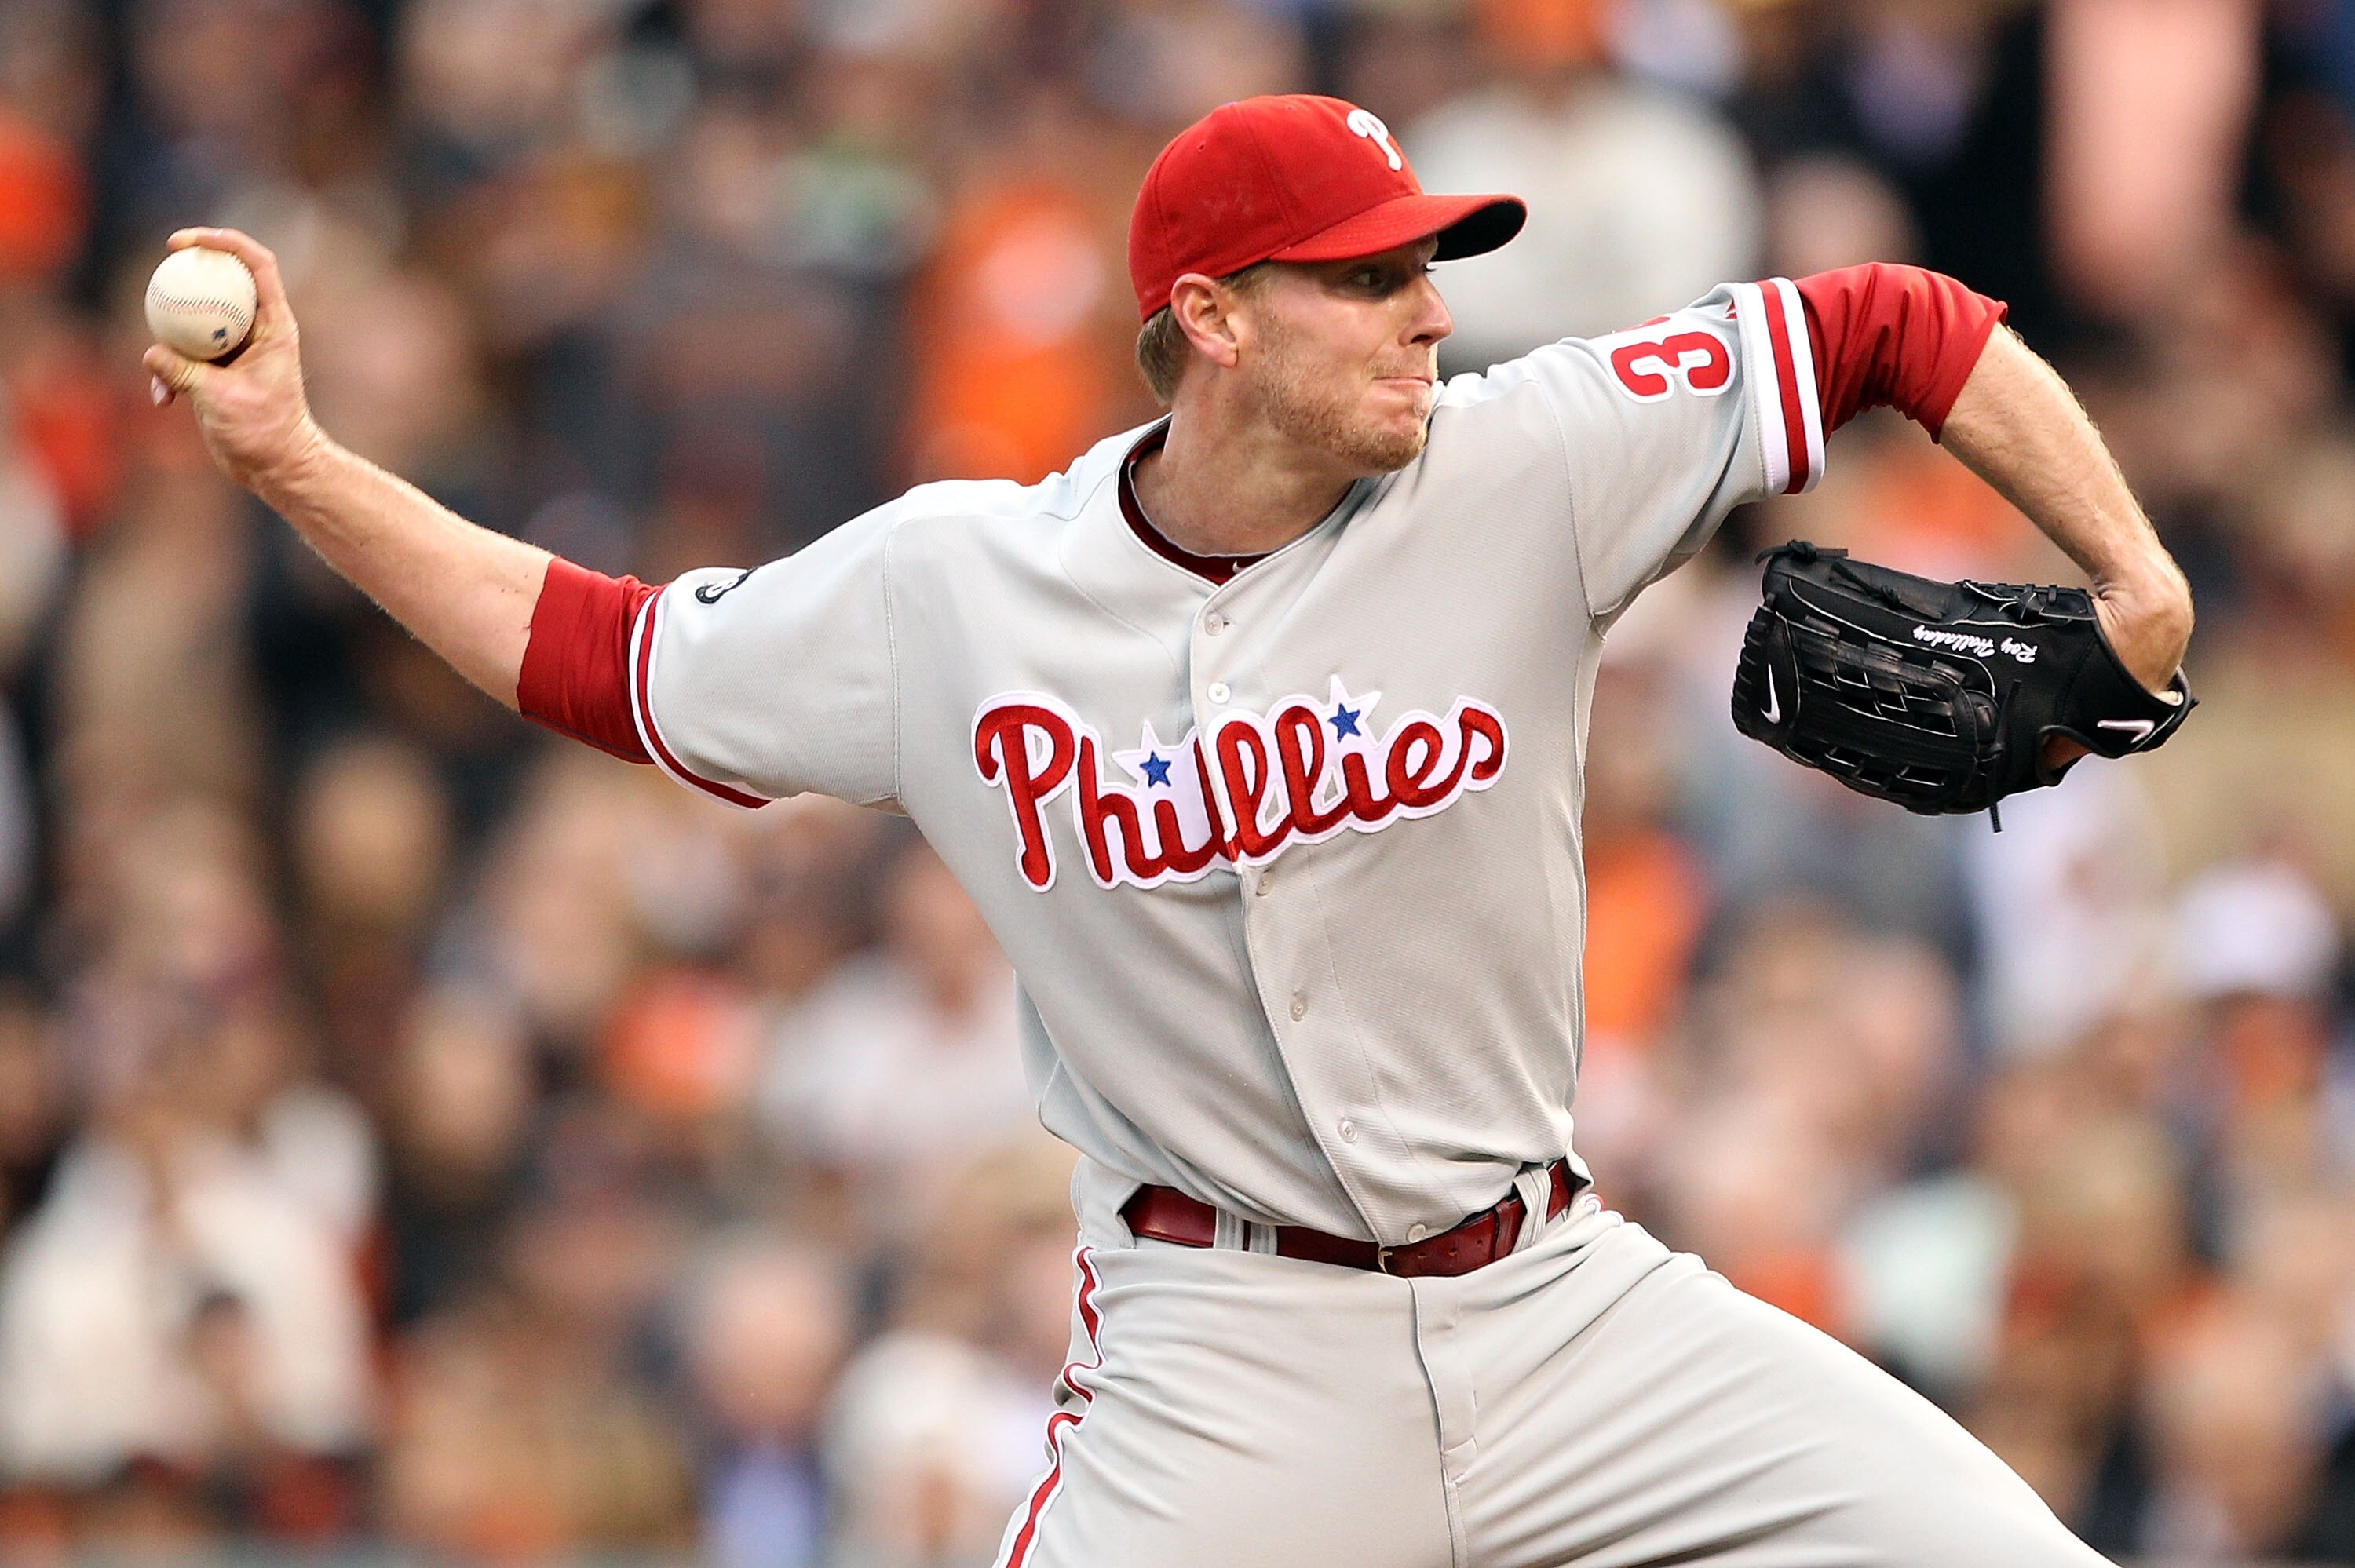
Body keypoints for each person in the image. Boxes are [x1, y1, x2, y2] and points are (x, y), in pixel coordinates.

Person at [148, 93, 2190, 1568]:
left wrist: (2133, 579)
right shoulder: (955, 591)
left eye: (1430, 263)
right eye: (1366, 272)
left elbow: (1899, 324)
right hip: (1229, 1363)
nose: (1425, 306)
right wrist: (302, 462)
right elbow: (596, 655)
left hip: (1566, 1306)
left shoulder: (1532, 459)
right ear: (1211, 316)